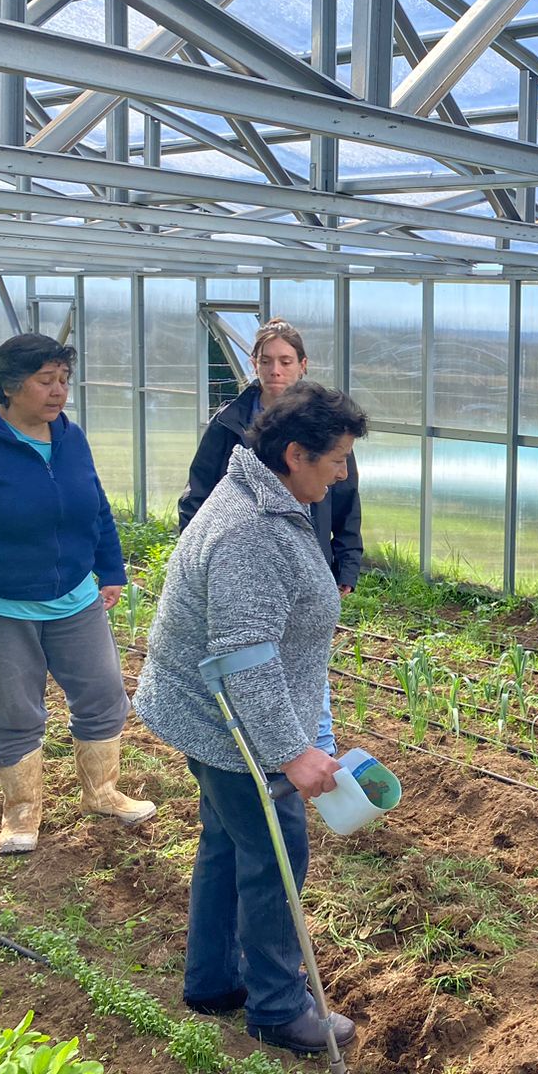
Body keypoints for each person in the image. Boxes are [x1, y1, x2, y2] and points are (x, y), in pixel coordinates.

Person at [134, 382, 368, 1056]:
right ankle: (275, 1006)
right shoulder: (249, 533)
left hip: (213, 714)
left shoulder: (265, 498)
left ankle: (213, 980)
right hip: (228, 725)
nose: (343, 473)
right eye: (336, 460)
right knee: (273, 855)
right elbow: (244, 657)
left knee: (228, 841)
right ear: (295, 454)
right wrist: (293, 751)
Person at [0, 334, 154, 855]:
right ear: (10, 384)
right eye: (46, 381)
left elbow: (95, 507)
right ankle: (21, 814)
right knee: (16, 710)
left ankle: (102, 793)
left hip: (74, 598)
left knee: (102, 693)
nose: (59, 392)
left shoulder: (71, 439)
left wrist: (108, 567)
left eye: (64, 380)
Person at [178, 318, 362, 756]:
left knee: (302, 662)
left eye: (285, 361)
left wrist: (345, 562)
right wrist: (205, 556)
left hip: (308, 561)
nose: (275, 370)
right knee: (264, 657)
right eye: (266, 361)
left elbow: (348, 500)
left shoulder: (325, 426)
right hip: (249, 564)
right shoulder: (229, 427)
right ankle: (298, 756)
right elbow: (198, 497)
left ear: (302, 365)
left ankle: (318, 751)